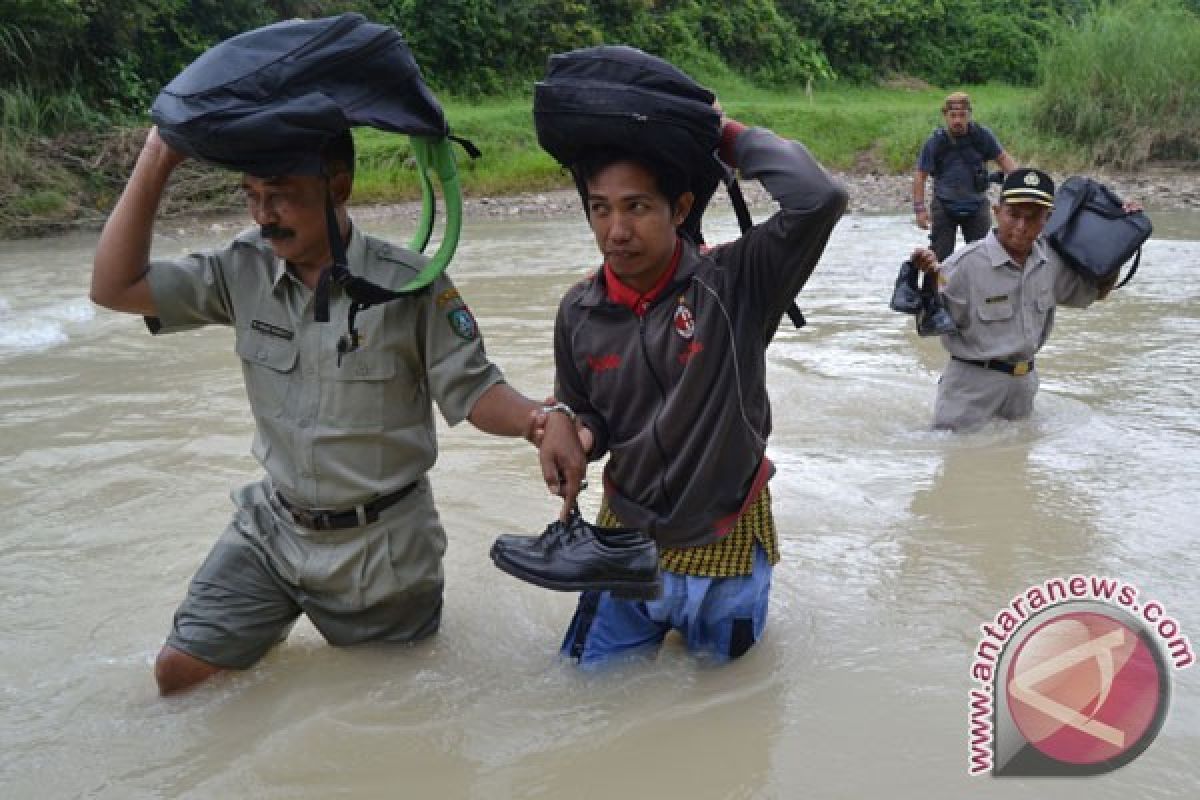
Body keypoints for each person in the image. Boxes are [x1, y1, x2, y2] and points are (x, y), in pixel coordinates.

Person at [90, 127, 585, 694]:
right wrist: (158, 157)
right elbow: (113, 287)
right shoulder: (240, 270)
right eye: (250, 195)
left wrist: (539, 422)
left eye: (278, 195)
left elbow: (474, 388)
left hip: (384, 550)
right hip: (272, 528)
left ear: (340, 186)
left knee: (386, 707)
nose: (262, 214)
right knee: (180, 674)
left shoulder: (409, 284)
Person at [537, 107, 848, 667]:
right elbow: (586, 413)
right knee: (587, 689)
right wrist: (573, 433)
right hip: (625, 536)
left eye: (636, 207)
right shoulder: (578, 312)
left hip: (724, 538)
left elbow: (818, 196)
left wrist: (722, 134)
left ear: (679, 208)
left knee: (727, 712)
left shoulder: (737, 281)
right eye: (600, 209)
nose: (616, 231)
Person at [910, 167, 1139, 432]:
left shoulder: (1050, 262)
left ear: (1048, 220)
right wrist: (928, 279)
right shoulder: (963, 266)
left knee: (1017, 466)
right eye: (1014, 214)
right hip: (970, 391)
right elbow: (928, 325)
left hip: (1023, 387)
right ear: (996, 213)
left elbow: (1097, 292)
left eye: (1033, 218)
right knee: (959, 462)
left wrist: (1120, 239)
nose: (1021, 226)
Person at [913, 91, 1018, 260]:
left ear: (969, 115)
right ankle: (933, 287)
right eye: (953, 115)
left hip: (976, 205)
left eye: (962, 115)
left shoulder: (982, 136)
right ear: (945, 116)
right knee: (939, 257)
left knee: (984, 257)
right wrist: (919, 210)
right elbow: (920, 175)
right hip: (944, 206)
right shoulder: (935, 142)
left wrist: (1022, 185)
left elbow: (1004, 159)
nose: (957, 121)